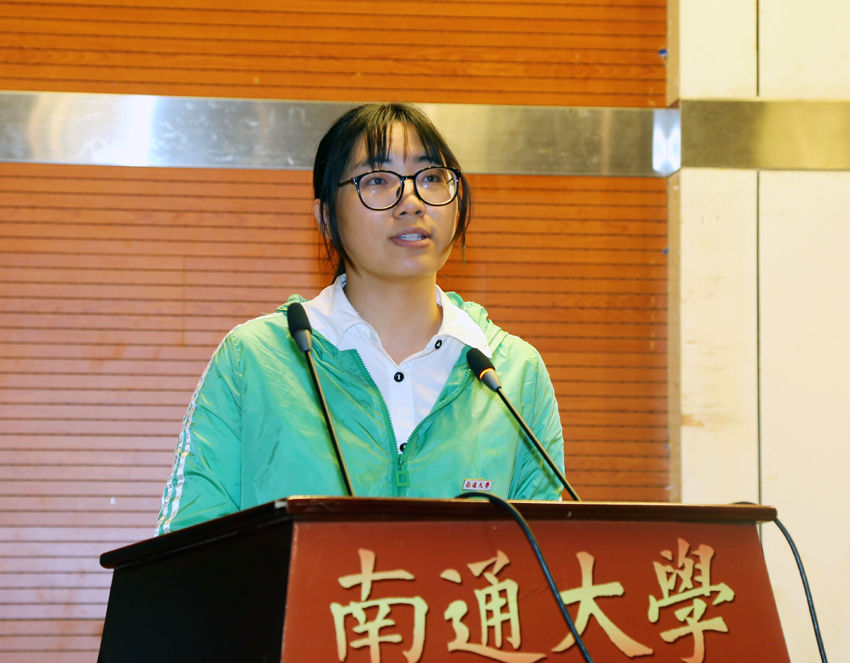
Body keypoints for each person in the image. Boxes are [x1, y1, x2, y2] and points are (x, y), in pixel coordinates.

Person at [155, 103, 564, 536]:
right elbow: (187, 544)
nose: (411, 202)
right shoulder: (254, 360)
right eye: (377, 181)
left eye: (431, 178)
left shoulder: (512, 373)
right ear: (326, 217)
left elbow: (551, 556)